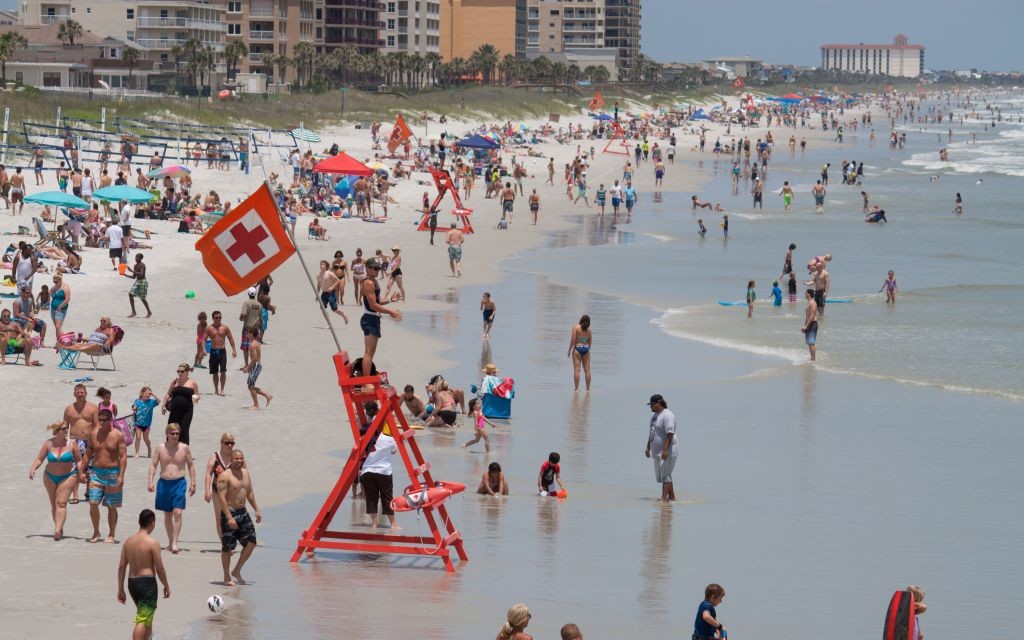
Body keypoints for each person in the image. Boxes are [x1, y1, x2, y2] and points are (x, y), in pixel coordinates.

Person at [117, 509, 170, 640]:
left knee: (146, 615)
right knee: (143, 618)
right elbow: (160, 569)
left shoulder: (128, 542)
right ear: (152, 523)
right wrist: (166, 585)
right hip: (147, 584)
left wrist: (121, 589)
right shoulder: (152, 543)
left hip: (132, 584)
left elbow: (122, 566)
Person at [28, 422, 84, 540]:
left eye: (66, 429)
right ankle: (59, 526)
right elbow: (40, 458)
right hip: (49, 477)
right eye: (63, 429)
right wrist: (33, 469)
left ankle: (57, 531)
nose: (66, 430)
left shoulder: (72, 444)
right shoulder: (48, 443)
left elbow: (79, 460)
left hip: (68, 476)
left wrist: (81, 473)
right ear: (57, 431)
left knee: (61, 503)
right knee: (54, 503)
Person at [147, 424, 196, 554]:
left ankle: (175, 543)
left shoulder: (184, 448)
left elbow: (191, 465)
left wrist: (193, 483)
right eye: (172, 433)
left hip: (179, 482)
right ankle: (170, 541)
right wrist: (150, 481)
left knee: (178, 512)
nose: (175, 436)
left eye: (177, 433)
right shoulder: (160, 448)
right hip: (164, 483)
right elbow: (153, 465)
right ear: (167, 434)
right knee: (167, 514)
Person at [216, 449, 261, 586]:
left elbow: (250, 493)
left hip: (243, 512)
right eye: (237, 459)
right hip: (230, 512)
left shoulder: (246, 473)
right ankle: (226, 576)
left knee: (252, 542)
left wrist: (257, 509)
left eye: (241, 458)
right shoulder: (224, 476)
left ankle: (236, 570)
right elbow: (222, 498)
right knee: (227, 548)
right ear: (231, 459)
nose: (240, 461)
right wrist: (229, 517)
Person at [88, 407, 127, 544]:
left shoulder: (118, 435)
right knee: (93, 503)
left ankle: (111, 533)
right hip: (96, 472)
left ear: (111, 420)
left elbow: (123, 457)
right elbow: (89, 453)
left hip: (112, 473)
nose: (101, 422)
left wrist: (121, 475)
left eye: (104, 420)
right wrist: (81, 470)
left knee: (111, 506)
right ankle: (96, 531)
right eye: (99, 420)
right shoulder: (93, 434)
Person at [359, 257, 403, 379]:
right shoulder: (368, 282)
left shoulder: (374, 281)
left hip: (373, 318)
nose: (377, 270)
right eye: (374, 268)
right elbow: (373, 305)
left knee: (371, 352)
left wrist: (390, 300)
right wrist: (390, 312)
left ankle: (366, 379)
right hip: (369, 319)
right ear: (367, 268)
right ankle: (366, 381)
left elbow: (378, 301)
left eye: (378, 268)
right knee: (369, 352)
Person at [359, 420, 398, 529]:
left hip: (367, 471)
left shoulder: (366, 438)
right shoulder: (389, 439)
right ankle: (393, 524)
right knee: (387, 497)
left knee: (371, 498)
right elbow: (394, 451)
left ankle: (374, 524)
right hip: (384, 471)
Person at [645, 394, 677, 502]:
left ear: (659, 403)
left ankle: (663, 499)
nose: (651, 407)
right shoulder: (654, 416)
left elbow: (670, 434)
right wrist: (648, 447)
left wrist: (665, 450)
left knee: (665, 475)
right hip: (657, 452)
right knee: (662, 476)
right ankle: (672, 497)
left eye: (652, 405)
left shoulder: (668, 415)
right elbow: (652, 432)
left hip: (668, 451)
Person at [204, 433, 236, 539]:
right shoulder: (215, 456)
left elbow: (244, 473)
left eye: (232, 443)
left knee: (233, 517)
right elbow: (209, 473)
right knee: (220, 518)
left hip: (233, 493)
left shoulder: (236, 457)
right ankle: (224, 543)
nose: (230, 446)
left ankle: (231, 540)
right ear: (221, 443)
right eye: (227, 443)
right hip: (217, 492)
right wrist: (207, 490)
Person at [161, 364, 199, 445]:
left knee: (184, 429)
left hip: (187, 411)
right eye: (178, 371)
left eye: (182, 371)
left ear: (187, 372)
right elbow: (168, 394)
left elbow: (197, 396)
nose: (180, 373)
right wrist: (163, 405)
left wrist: (196, 398)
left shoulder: (192, 383)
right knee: (171, 428)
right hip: (174, 410)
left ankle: (184, 451)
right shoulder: (175, 381)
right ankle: (170, 448)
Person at [204, 310, 236, 396]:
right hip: (213, 351)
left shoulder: (225, 328)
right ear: (213, 318)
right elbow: (204, 339)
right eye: (216, 318)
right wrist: (203, 350)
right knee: (214, 372)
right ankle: (216, 389)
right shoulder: (209, 328)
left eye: (220, 317)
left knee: (223, 371)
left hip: (222, 351)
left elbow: (231, 339)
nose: (218, 319)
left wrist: (234, 350)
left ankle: (222, 389)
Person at [243, 327, 272, 409]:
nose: (247, 334)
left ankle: (256, 405)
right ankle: (267, 396)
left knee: (250, 386)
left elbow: (255, 358)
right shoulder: (257, 343)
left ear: (252, 334)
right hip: (257, 366)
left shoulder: (252, 345)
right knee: (250, 386)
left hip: (255, 366)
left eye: (248, 333)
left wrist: (247, 367)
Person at [239, 287, 263, 370]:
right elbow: (261, 318)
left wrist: (241, 318)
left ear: (248, 294)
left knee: (245, 348)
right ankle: (254, 365)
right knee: (254, 347)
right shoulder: (259, 305)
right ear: (255, 294)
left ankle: (246, 365)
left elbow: (243, 314)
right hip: (256, 329)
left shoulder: (246, 303)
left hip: (247, 329)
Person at [131, 387, 159, 458]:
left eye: (149, 394)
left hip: (147, 424)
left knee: (145, 438)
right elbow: (133, 407)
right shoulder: (137, 401)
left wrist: (153, 394)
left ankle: (149, 448)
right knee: (138, 437)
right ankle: (137, 453)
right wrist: (134, 407)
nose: (148, 395)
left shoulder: (151, 402)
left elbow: (159, 401)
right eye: (146, 393)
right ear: (142, 393)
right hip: (138, 423)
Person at [568, 314, 592, 391]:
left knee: (577, 370)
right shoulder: (589, 330)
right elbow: (590, 342)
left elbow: (573, 339)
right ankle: (587, 389)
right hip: (586, 349)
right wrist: (587, 349)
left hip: (577, 349)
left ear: (581, 320)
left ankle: (576, 388)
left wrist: (569, 350)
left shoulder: (575, 328)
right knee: (587, 370)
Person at [124, 253, 152, 318]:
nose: (136, 258)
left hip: (142, 282)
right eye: (135, 257)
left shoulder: (142, 265)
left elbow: (141, 274)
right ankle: (133, 312)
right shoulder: (135, 265)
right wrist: (125, 274)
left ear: (140, 258)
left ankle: (149, 312)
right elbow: (134, 277)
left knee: (142, 298)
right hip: (137, 281)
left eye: (137, 257)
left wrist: (132, 271)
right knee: (130, 294)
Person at [50, 272, 71, 337]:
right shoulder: (55, 287)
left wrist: (60, 306)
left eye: (56, 282)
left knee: (58, 326)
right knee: (57, 327)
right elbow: (50, 291)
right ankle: (61, 341)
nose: (55, 283)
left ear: (60, 280)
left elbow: (67, 299)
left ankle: (62, 341)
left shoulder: (65, 287)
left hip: (61, 309)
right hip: (53, 308)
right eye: (54, 282)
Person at [801, 288, 819, 362]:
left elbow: (812, 315)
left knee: (811, 342)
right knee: (809, 342)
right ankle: (812, 358)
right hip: (809, 324)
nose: (804, 294)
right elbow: (807, 316)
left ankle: (813, 359)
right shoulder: (809, 303)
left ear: (809, 294)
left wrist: (806, 325)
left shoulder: (812, 303)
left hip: (812, 323)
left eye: (805, 293)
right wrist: (804, 325)